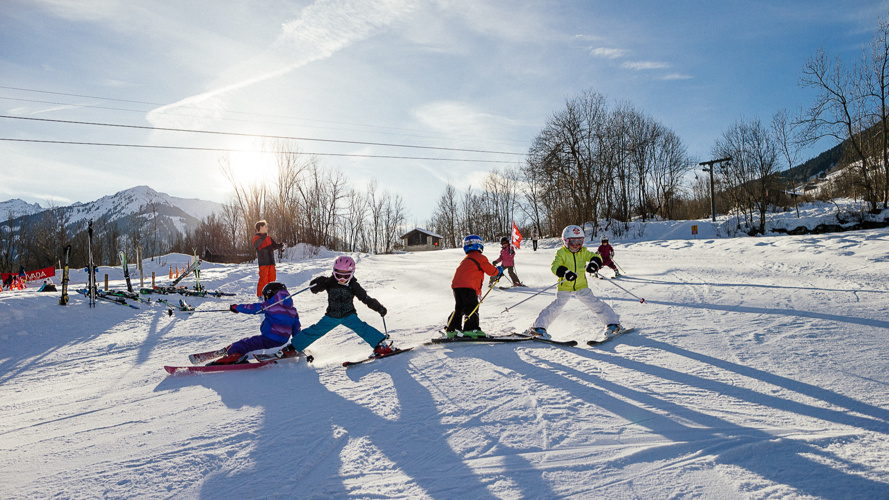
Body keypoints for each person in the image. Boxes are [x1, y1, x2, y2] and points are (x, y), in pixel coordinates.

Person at [283, 256, 393, 357]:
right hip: (331, 316)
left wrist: (378, 307)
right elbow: (313, 289)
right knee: (315, 331)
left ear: (352, 273)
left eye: (346, 276)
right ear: (334, 272)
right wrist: (317, 282)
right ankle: (293, 347)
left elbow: (366, 298)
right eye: (339, 275)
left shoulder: (353, 285)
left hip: (349, 315)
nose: (342, 279)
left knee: (362, 328)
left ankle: (381, 346)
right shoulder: (329, 282)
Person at [528, 225, 622, 339]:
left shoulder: (583, 251)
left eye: (579, 241)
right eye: (573, 241)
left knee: (596, 305)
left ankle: (612, 324)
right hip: (565, 286)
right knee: (556, 307)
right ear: (566, 241)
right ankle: (538, 327)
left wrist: (594, 264)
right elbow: (555, 266)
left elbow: (596, 257)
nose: (576, 245)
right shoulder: (561, 253)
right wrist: (565, 272)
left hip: (581, 286)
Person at [210, 282, 300, 365]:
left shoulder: (270, 305)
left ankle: (234, 355)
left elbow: (252, 308)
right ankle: (234, 348)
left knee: (246, 343)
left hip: (269, 338)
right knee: (252, 341)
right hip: (283, 340)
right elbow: (296, 329)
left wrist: (237, 307)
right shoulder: (293, 310)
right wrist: (297, 345)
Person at [446, 235, 503, 338]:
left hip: (457, 286)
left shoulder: (466, 259)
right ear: (479, 246)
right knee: (472, 307)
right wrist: (498, 271)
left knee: (460, 307)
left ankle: (452, 329)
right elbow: (491, 271)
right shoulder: (480, 257)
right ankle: (471, 329)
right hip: (469, 287)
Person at [253, 220, 285, 298]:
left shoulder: (268, 237)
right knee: (263, 279)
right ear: (260, 227)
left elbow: (275, 246)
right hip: (263, 262)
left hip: (271, 262)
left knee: (272, 279)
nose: (267, 228)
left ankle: (270, 295)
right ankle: (260, 295)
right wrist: (263, 236)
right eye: (266, 227)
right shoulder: (256, 237)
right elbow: (256, 245)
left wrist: (280, 245)